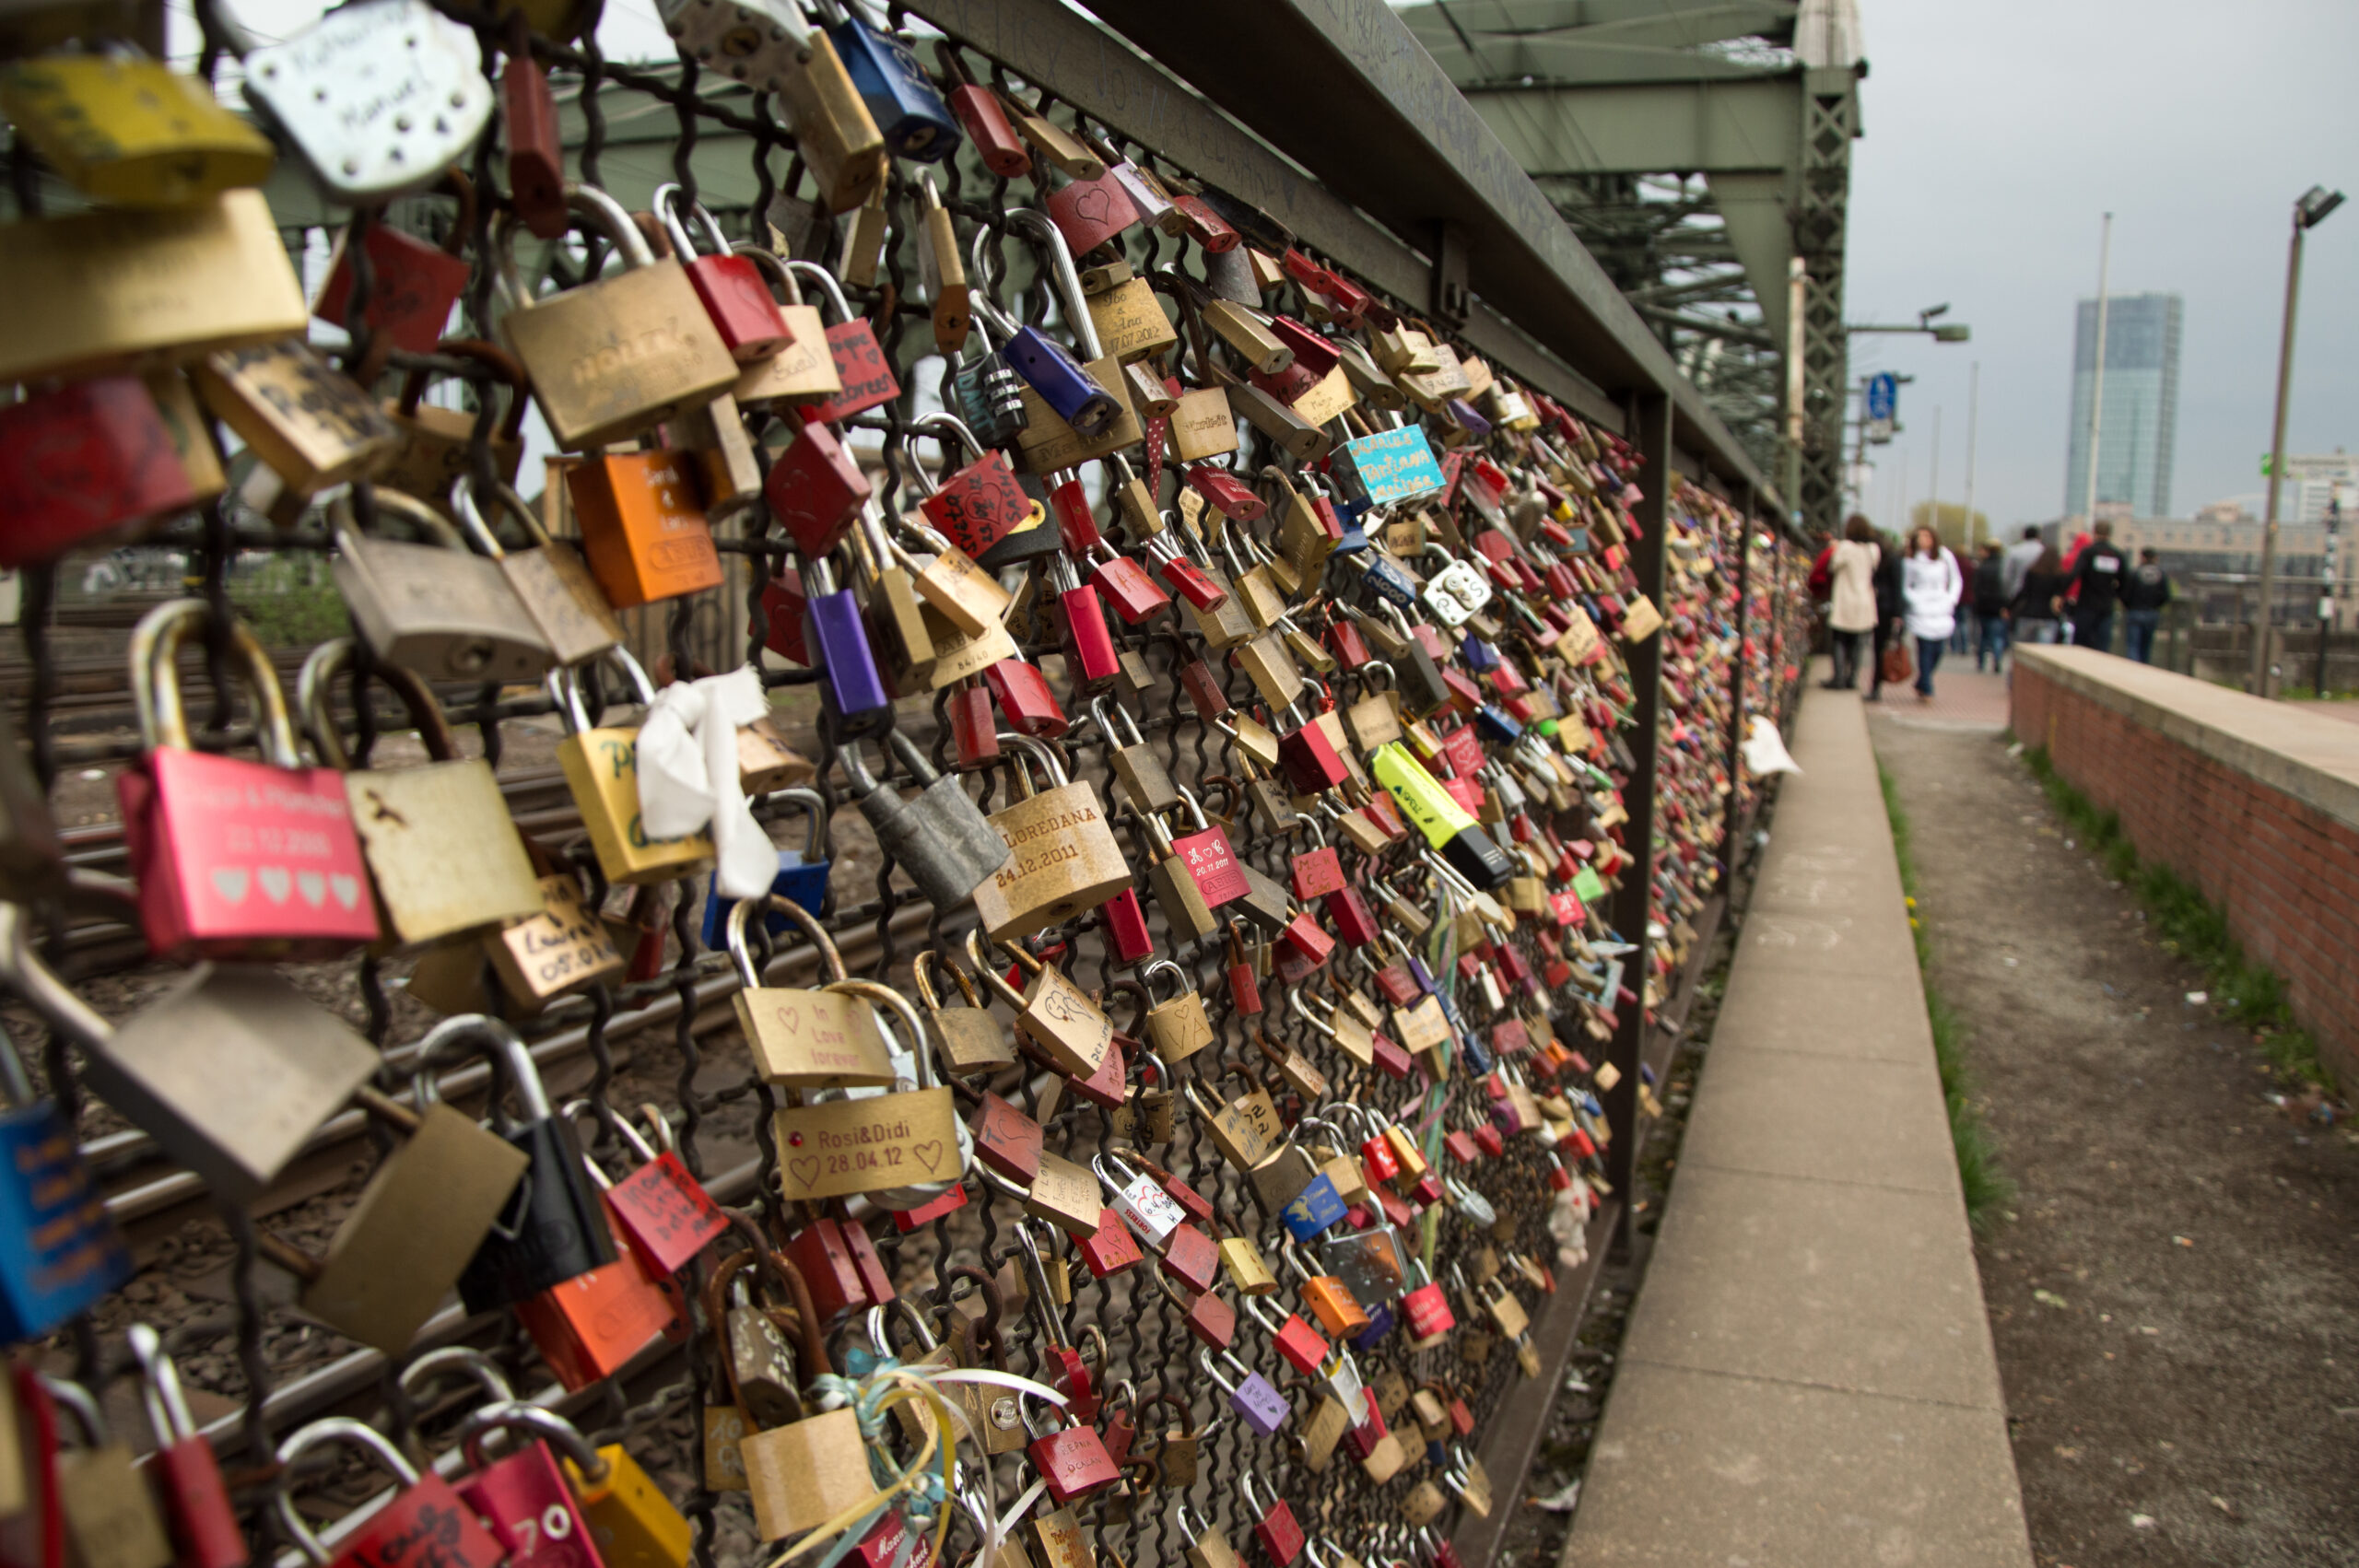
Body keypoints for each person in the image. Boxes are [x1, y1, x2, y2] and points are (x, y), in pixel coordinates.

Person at [1901, 526, 1961, 702]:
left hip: (1941, 609)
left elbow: (1956, 579)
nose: (1923, 540)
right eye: (1920, 536)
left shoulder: (1944, 556)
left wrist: (1951, 599)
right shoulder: (1911, 560)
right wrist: (1915, 602)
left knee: (1938, 650)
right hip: (1921, 611)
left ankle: (1922, 680)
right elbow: (1906, 586)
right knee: (1925, 650)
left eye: (1926, 536)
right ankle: (1927, 687)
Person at [1822, 515, 1882, 689]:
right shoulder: (1872, 549)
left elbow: (1833, 566)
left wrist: (1834, 549)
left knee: (1839, 639)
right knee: (1858, 641)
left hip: (1846, 597)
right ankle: (1852, 677)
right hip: (1864, 598)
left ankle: (1838, 677)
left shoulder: (1845, 547)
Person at [2068, 520, 2129, 651]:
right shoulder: (2117, 555)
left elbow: (2074, 574)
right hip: (2106, 606)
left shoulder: (2088, 553)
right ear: (2110, 534)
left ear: (2094, 532)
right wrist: (2116, 594)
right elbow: (2125, 581)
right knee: (2102, 647)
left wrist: (2061, 593)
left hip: (2086, 604)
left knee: (2081, 646)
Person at [1867, 531, 1907, 702]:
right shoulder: (1891, 560)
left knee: (1879, 649)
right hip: (1884, 608)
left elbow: (1897, 587)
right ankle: (1876, 685)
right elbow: (1898, 587)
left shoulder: (1886, 561)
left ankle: (1876, 685)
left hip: (1882, 608)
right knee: (1879, 648)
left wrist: (1897, 613)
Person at [2121, 547, 2172, 664]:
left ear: (2142, 558)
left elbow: (2125, 594)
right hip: (2152, 613)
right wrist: (2156, 606)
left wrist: (2129, 606)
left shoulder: (2135, 573)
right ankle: (2144, 670)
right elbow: (2166, 596)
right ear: (2155, 558)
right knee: (2146, 647)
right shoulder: (2160, 574)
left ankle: (2132, 669)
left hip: (2135, 612)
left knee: (2133, 645)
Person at [2011, 545, 2069, 647]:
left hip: (2028, 614)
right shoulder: (2060, 576)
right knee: (2043, 651)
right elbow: (2060, 598)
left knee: (2025, 652)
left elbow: (2023, 593)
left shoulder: (2032, 572)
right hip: (2049, 617)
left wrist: (2009, 607)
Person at [1972, 541, 2012, 672]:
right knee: (1997, 636)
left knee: (1983, 635)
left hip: (1984, 606)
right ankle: (1997, 660)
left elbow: (1976, 588)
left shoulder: (1982, 567)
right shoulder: (2004, 567)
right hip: (1999, 606)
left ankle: (1981, 662)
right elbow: (2007, 588)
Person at [2003, 524, 2043, 603]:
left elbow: (2007, 575)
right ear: (2038, 536)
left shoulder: (2014, 551)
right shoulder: (2043, 551)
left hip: (2017, 591)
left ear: (2024, 536)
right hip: (2039, 594)